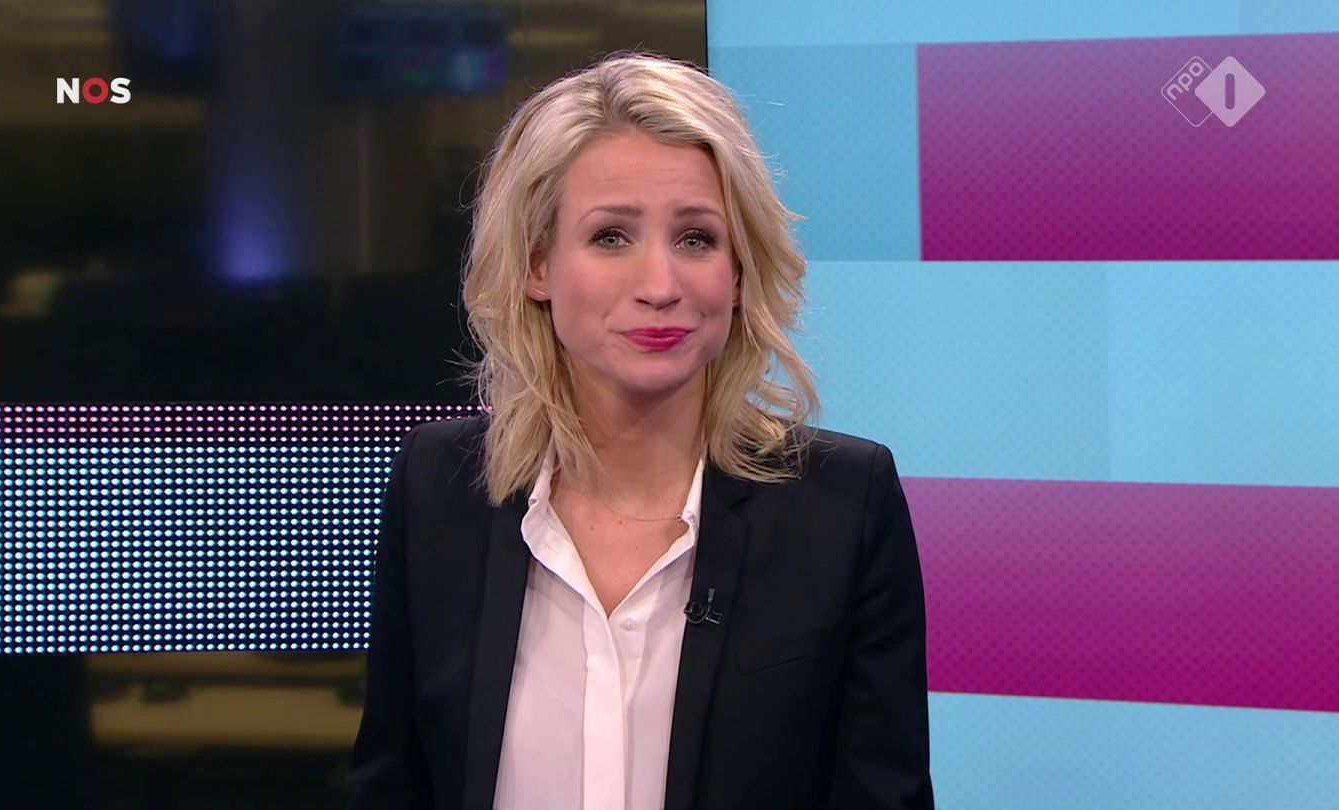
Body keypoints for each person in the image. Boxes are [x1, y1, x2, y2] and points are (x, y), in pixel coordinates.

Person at [348, 50, 933, 810]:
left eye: (696, 239)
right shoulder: (439, 485)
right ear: (537, 264)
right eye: (611, 237)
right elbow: (393, 785)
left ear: (739, 271)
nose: (660, 286)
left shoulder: (843, 506)